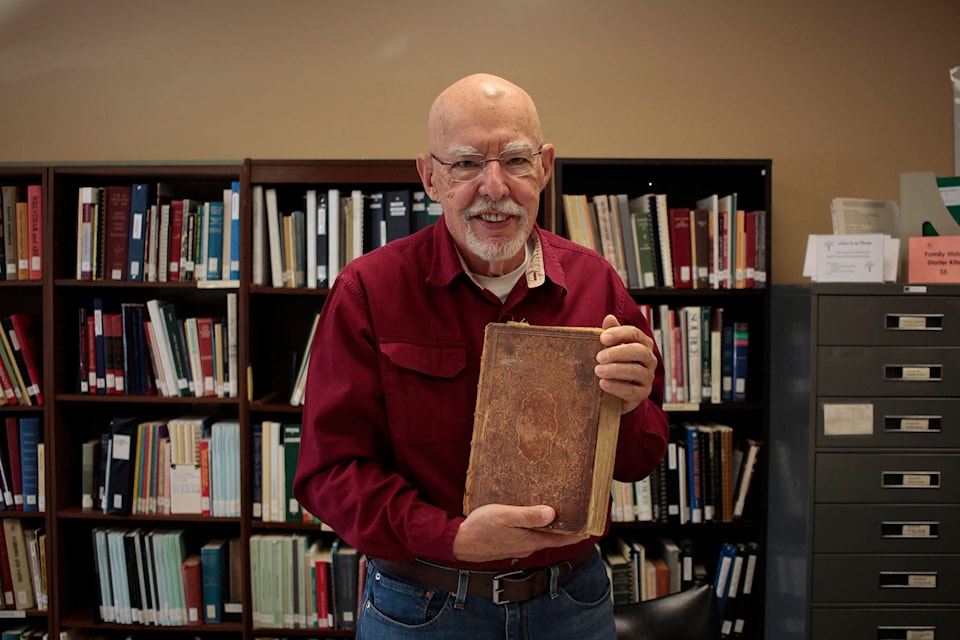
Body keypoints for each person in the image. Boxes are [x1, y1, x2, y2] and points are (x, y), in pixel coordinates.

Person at [293, 72, 669, 639]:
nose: (494, 187)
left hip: (571, 602)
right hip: (424, 607)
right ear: (430, 177)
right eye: (466, 163)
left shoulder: (598, 285)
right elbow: (330, 473)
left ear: (543, 166)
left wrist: (636, 403)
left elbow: (639, 460)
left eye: (516, 160)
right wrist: (453, 537)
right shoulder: (369, 291)